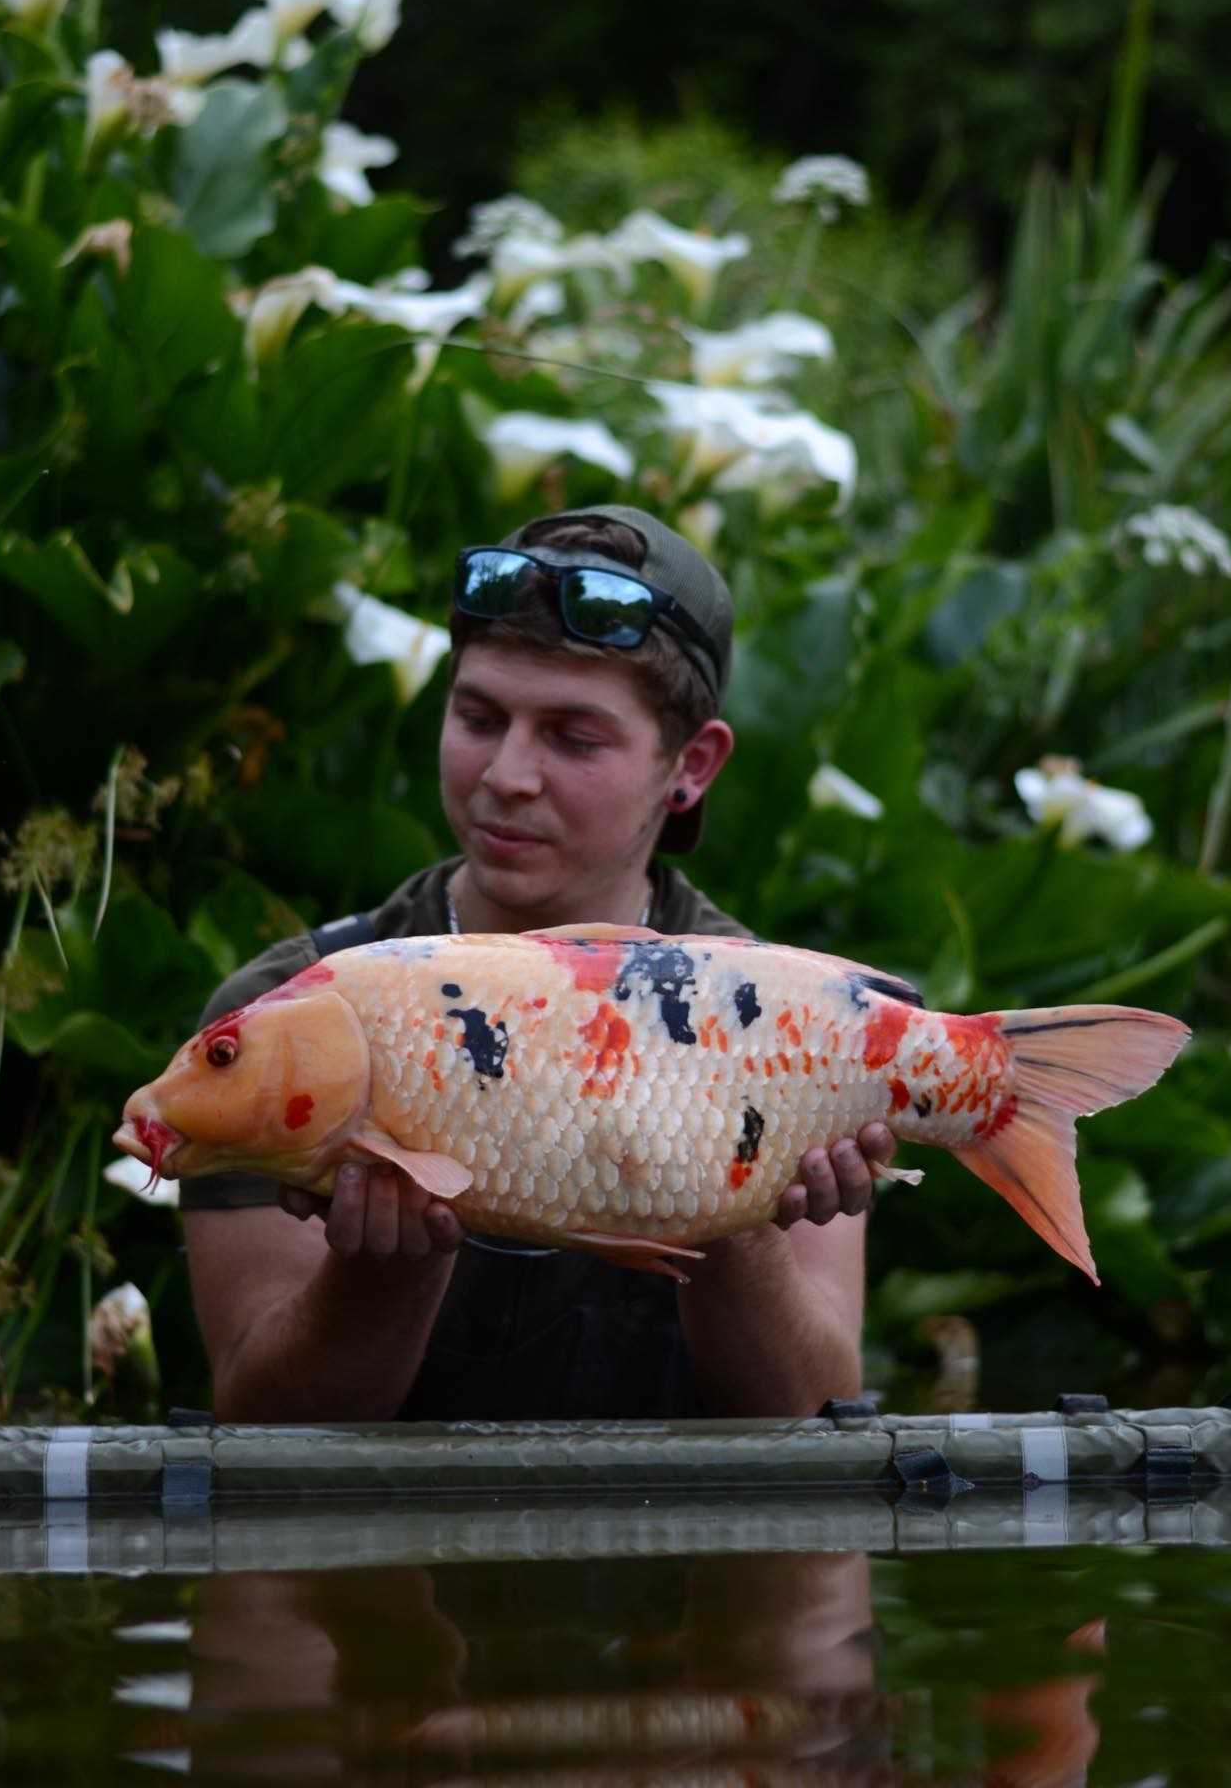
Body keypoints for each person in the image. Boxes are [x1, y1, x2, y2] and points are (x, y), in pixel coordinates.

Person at [181, 505, 897, 1421]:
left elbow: (812, 1415)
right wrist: (384, 1270)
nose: (506, 775)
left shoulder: (791, 1018)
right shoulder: (281, 1024)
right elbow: (258, 1420)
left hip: (678, 1514)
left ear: (692, 765)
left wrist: (735, 1207)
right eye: (479, 717)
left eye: (573, 738)